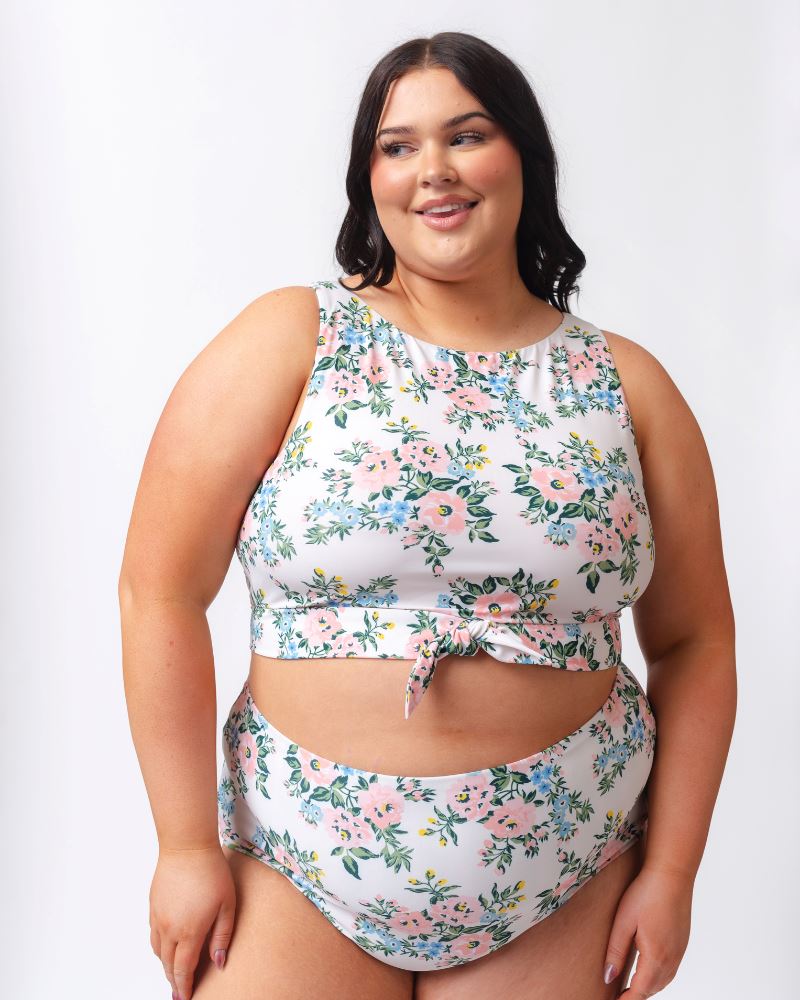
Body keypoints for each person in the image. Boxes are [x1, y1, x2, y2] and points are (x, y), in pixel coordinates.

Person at [119, 30, 736, 1000]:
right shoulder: (288, 338)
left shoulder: (628, 385)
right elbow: (157, 589)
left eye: (466, 134)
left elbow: (696, 640)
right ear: (366, 178)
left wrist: (668, 874)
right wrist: (185, 843)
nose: (433, 170)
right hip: (298, 862)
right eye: (396, 145)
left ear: (521, 155)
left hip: (564, 869)